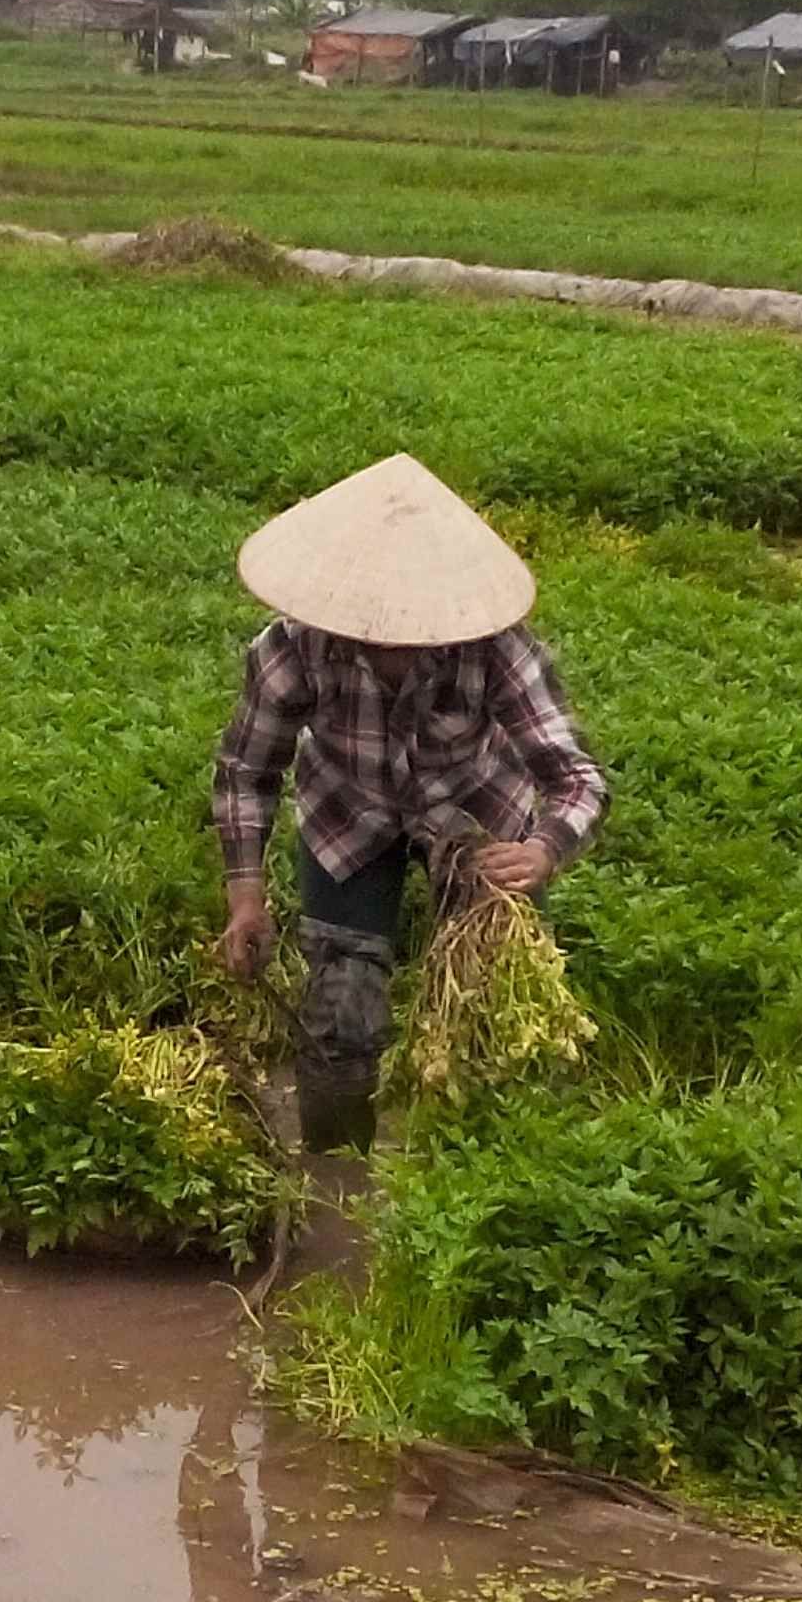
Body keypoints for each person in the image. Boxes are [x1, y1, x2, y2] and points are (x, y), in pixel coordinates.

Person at [210, 453, 609, 1151]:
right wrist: (245, 897)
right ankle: (339, 1176)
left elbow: (577, 778)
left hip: (476, 818)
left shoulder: (499, 653)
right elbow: (247, 771)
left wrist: (544, 850)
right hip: (349, 817)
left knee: (493, 1016)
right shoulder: (291, 651)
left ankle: (477, 1178)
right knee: (342, 1015)